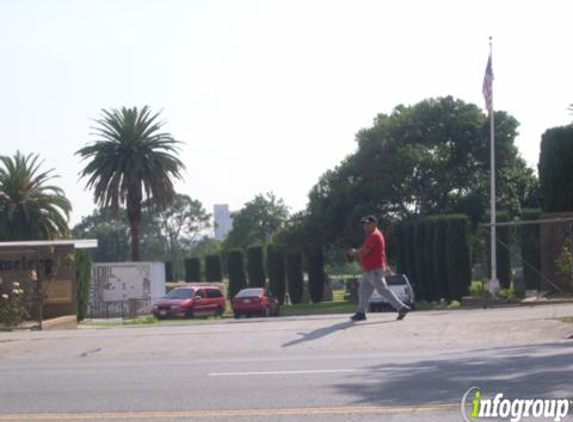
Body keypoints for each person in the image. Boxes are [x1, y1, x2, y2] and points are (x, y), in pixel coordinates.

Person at [347, 215, 410, 322]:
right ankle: (361, 312)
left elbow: (366, 251)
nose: (365, 226)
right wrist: (387, 266)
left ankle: (401, 307)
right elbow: (382, 253)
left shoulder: (374, 235)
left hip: (374, 270)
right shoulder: (373, 235)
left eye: (368, 224)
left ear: (374, 224)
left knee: (383, 290)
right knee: (362, 291)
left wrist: (354, 252)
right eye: (364, 224)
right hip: (370, 270)